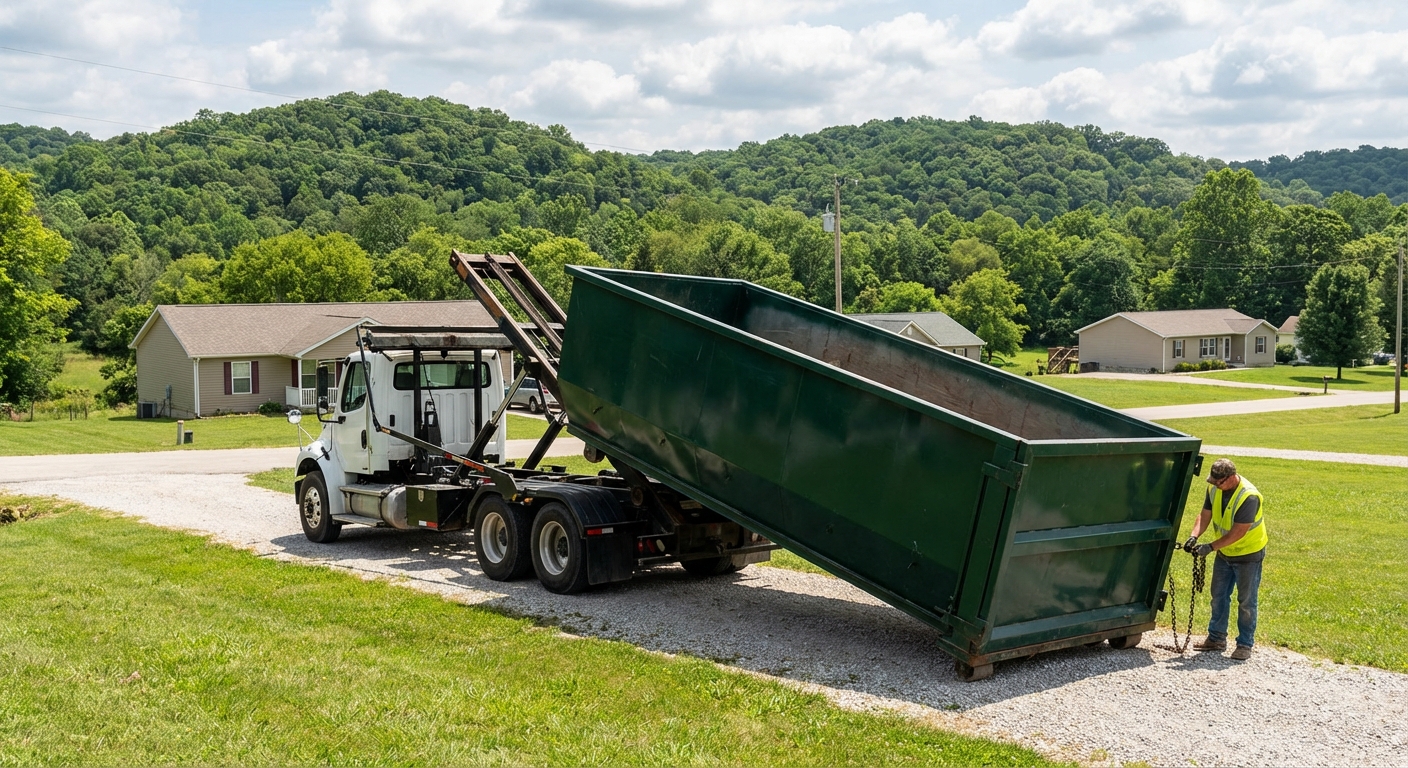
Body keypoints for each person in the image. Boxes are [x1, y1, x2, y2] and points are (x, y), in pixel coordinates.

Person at [1184, 458, 1267, 660]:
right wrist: (1194, 536)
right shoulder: (1214, 489)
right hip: (1225, 553)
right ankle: (1216, 638)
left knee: (1246, 601)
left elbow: (1238, 532)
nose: (1215, 485)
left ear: (1230, 478)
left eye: (1218, 482)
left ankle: (1245, 644)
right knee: (1218, 596)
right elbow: (1205, 515)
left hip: (1248, 555)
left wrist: (1211, 547)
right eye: (1213, 481)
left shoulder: (1248, 497)